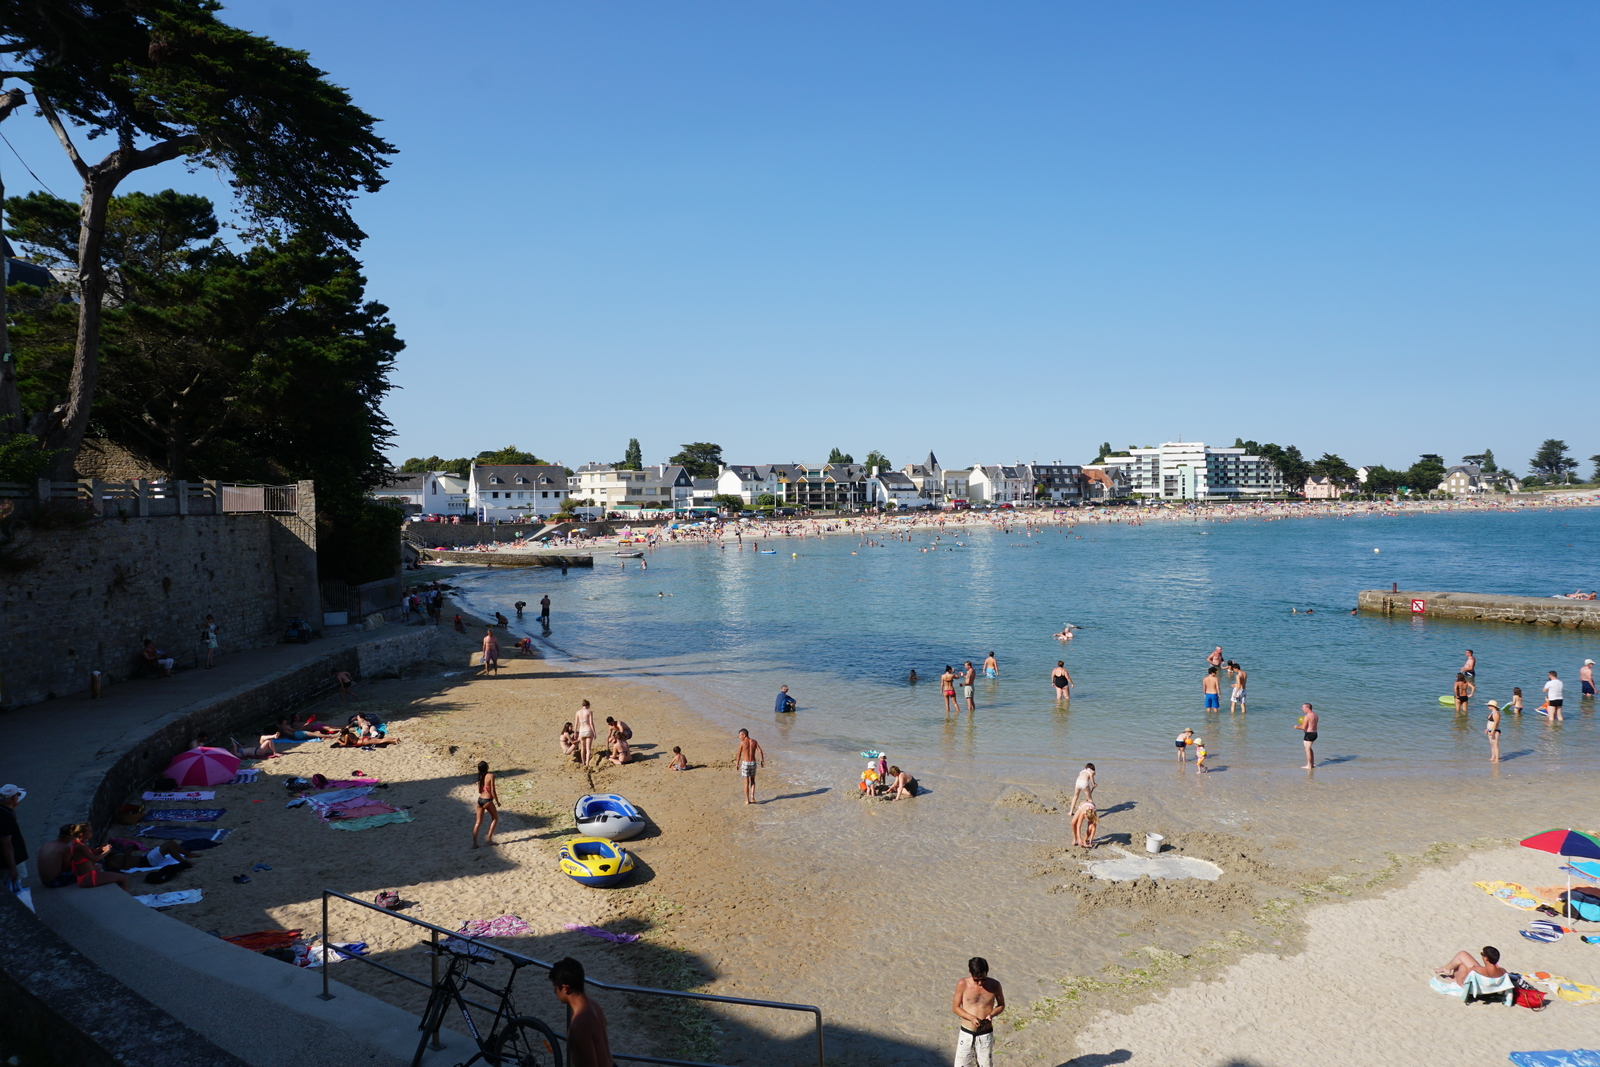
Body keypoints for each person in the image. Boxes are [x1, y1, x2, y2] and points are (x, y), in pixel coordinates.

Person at [549, 957, 614, 1067]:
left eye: (556, 987)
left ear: (565, 988)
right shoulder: (595, 1007)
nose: (555, 992)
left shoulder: (579, 1026)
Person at [951, 957, 1005, 1067]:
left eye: (983, 979)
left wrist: (992, 1014)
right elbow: (956, 1008)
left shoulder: (995, 985)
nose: (980, 983)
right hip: (967, 1032)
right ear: (970, 973)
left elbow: (1001, 1005)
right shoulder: (963, 984)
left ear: (987, 972)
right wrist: (971, 1017)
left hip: (985, 1033)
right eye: (976, 980)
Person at [1435, 946, 1504, 987]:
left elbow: (1463, 983)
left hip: (1474, 985)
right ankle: (1447, 968)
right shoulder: (1502, 971)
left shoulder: (1477, 969)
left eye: (1482, 954)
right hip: (1487, 983)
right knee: (1463, 958)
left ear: (1486, 959)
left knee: (1462, 965)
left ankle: (1447, 968)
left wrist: (1456, 979)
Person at [0, 785, 26, 892]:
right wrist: (12, 867)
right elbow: (6, 844)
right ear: (13, 798)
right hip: (8, 862)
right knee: (12, 887)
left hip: (8, 860)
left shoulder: (5, 812)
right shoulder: (4, 816)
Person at [735, 728, 765, 804]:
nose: (739, 737)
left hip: (746, 763)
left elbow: (739, 754)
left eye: (740, 735)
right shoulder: (754, 741)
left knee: (746, 783)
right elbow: (760, 751)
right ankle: (752, 796)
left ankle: (747, 800)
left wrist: (737, 763)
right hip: (753, 763)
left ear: (744, 735)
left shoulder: (742, 743)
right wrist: (762, 760)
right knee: (753, 780)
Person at [472, 761, 498, 848]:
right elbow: (493, 790)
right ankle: (489, 839)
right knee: (495, 818)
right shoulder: (491, 776)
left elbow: (479, 790)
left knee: (478, 822)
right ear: (487, 767)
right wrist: (497, 801)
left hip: (480, 800)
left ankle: (475, 844)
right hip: (487, 800)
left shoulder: (480, 776)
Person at [1297, 703, 1319, 768]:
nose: (1302, 709)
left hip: (1309, 734)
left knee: (1307, 749)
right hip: (1315, 733)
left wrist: (1296, 727)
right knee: (1309, 749)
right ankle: (1312, 763)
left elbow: (1303, 727)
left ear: (1307, 708)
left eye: (1303, 707)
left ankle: (1309, 765)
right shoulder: (1315, 715)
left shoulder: (1307, 716)